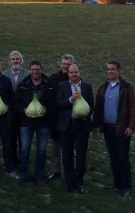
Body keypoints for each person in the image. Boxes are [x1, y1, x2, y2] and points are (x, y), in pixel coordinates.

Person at [93, 60, 135, 197]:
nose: (110, 71)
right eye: (108, 69)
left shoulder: (126, 87)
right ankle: (116, 183)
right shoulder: (103, 87)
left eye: (113, 69)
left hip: (122, 129)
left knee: (122, 157)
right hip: (108, 128)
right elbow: (98, 108)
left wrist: (131, 126)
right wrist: (95, 126)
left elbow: (132, 108)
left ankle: (125, 185)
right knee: (113, 157)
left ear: (118, 71)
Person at [14, 60, 55, 185]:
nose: (35, 71)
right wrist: (23, 110)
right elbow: (16, 102)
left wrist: (47, 110)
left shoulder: (49, 85)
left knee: (41, 150)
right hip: (27, 122)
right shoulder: (23, 84)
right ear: (30, 70)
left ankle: (39, 176)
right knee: (25, 148)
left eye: (37, 69)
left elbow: (55, 103)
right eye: (33, 69)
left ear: (41, 69)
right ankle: (23, 174)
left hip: (44, 122)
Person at [56, 64, 94, 194]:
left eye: (75, 72)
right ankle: (69, 181)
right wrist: (70, 99)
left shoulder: (87, 87)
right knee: (66, 156)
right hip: (66, 126)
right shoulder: (62, 86)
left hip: (81, 126)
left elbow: (91, 106)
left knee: (81, 156)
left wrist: (86, 115)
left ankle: (79, 182)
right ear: (68, 74)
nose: (73, 74)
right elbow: (58, 103)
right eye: (71, 72)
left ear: (79, 72)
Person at [48, 54, 74, 180]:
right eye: (63, 64)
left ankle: (70, 172)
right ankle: (56, 171)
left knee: (70, 149)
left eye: (67, 64)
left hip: (71, 119)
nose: (65, 66)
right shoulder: (53, 78)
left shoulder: (75, 79)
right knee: (57, 148)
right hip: (56, 118)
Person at [2, 51, 30, 168]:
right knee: (11, 139)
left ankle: (23, 162)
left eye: (17, 59)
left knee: (24, 141)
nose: (15, 61)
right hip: (9, 113)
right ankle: (13, 161)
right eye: (13, 59)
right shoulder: (4, 74)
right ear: (9, 61)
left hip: (24, 113)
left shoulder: (28, 74)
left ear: (21, 60)